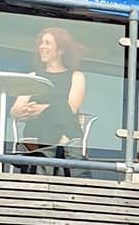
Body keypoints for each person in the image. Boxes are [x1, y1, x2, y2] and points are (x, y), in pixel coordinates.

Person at [11, 26, 89, 158]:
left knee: (61, 107)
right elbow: (14, 111)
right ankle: (59, 144)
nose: (42, 47)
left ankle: (47, 152)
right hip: (41, 131)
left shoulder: (76, 76)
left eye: (47, 43)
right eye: (41, 43)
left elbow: (72, 108)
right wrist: (26, 110)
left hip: (57, 129)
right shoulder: (33, 76)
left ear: (61, 50)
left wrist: (44, 109)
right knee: (59, 107)